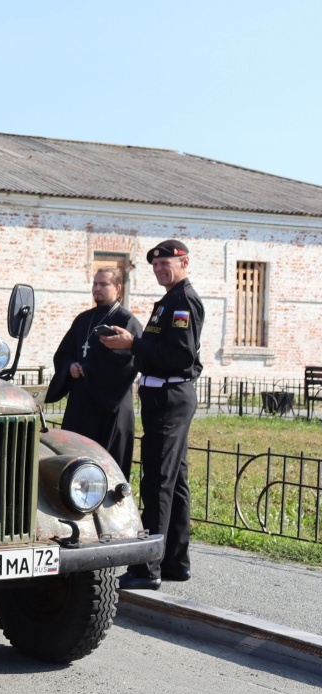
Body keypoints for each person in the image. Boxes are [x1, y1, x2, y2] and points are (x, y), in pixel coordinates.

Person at [101, 239, 204, 591]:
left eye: (167, 264)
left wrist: (134, 344)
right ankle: (175, 561)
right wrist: (136, 347)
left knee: (157, 480)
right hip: (164, 393)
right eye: (156, 265)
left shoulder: (183, 302)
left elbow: (181, 356)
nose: (161, 269)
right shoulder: (169, 300)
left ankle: (148, 568)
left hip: (169, 395)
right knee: (175, 484)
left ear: (184, 262)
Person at [45, 268, 143, 478]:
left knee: (106, 469)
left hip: (109, 407)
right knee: (74, 463)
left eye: (103, 284)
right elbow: (64, 353)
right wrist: (71, 366)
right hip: (81, 405)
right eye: (95, 284)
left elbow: (126, 363)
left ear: (117, 288)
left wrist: (87, 370)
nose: (97, 289)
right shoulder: (83, 319)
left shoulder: (126, 321)